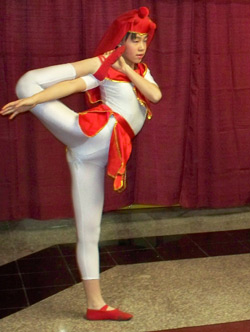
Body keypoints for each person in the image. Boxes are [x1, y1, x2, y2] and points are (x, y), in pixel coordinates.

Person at [1, 7, 161, 320]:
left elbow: (154, 96)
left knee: (89, 230)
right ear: (121, 41)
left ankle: (95, 305)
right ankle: (31, 93)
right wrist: (34, 101)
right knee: (27, 84)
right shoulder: (105, 70)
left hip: (91, 157)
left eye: (144, 40)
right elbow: (75, 86)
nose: (141, 46)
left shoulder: (141, 73)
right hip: (89, 134)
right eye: (134, 40)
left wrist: (127, 70)